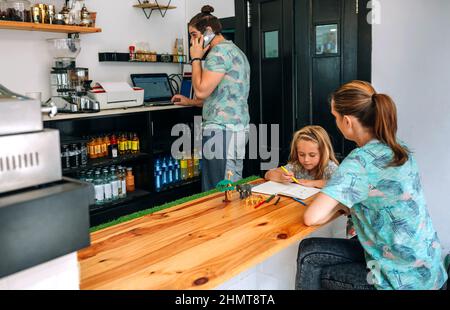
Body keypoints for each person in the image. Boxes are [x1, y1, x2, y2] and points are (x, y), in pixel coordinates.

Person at [296, 80, 448, 290]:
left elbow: (311, 217)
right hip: (431, 271)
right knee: (314, 250)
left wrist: (341, 205)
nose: (336, 123)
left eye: (335, 117)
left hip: (396, 280)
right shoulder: (398, 148)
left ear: (347, 121)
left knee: (309, 253)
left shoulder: (359, 161)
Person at [171, 5, 251, 191]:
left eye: (193, 35)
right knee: (231, 182)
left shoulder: (218, 54)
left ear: (207, 31)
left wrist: (196, 58)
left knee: (218, 189)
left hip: (221, 130)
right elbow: (222, 97)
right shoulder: (236, 51)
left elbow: (201, 91)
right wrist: (189, 101)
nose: (192, 41)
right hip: (237, 128)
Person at [265, 125, 338, 189]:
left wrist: (313, 183)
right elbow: (268, 175)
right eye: (301, 154)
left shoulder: (329, 167)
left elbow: (342, 184)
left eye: (312, 155)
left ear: (323, 153)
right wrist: (281, 177)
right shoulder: (297, 166)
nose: (306, 160)